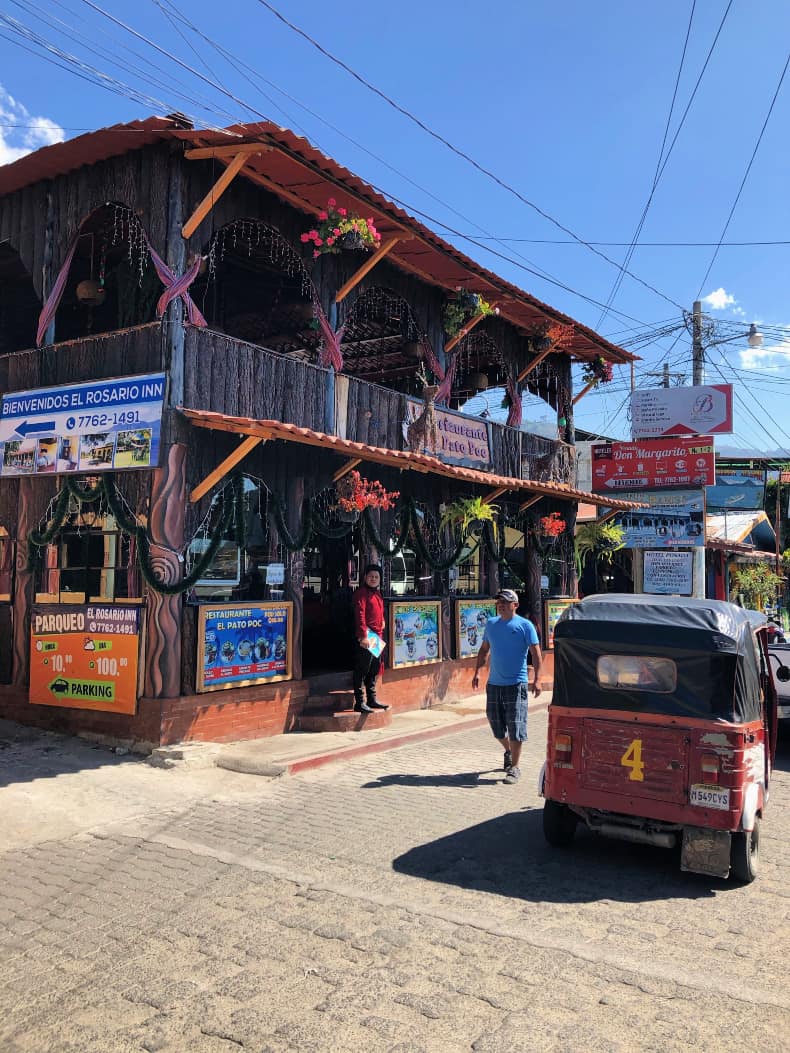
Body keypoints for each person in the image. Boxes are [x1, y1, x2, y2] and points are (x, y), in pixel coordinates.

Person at [472, 587, 543, 784]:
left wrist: (537, 679)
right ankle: (508, 750)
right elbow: (484, 649)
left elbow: (536, 654)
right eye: (499, 602)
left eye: (505, 602)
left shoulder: (525, 626)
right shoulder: (492, 624)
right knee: (496, 726)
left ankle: (515, 768)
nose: (501, 605)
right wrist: (477, 672)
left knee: (516, 726)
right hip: (494, 684)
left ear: (515, 605)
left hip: (517, 684)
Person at [352, 563, 389, 713]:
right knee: (362, 669)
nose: (373, 579)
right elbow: (360, 615)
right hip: (367, 636)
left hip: (377, 636)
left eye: (376, 577)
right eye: (371, 576)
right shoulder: (361, 593)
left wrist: (383, 621)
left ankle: (372, 699)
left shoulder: (378, 594)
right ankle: (359, 702)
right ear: (365, 577)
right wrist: (363, 636)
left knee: (373, 669)